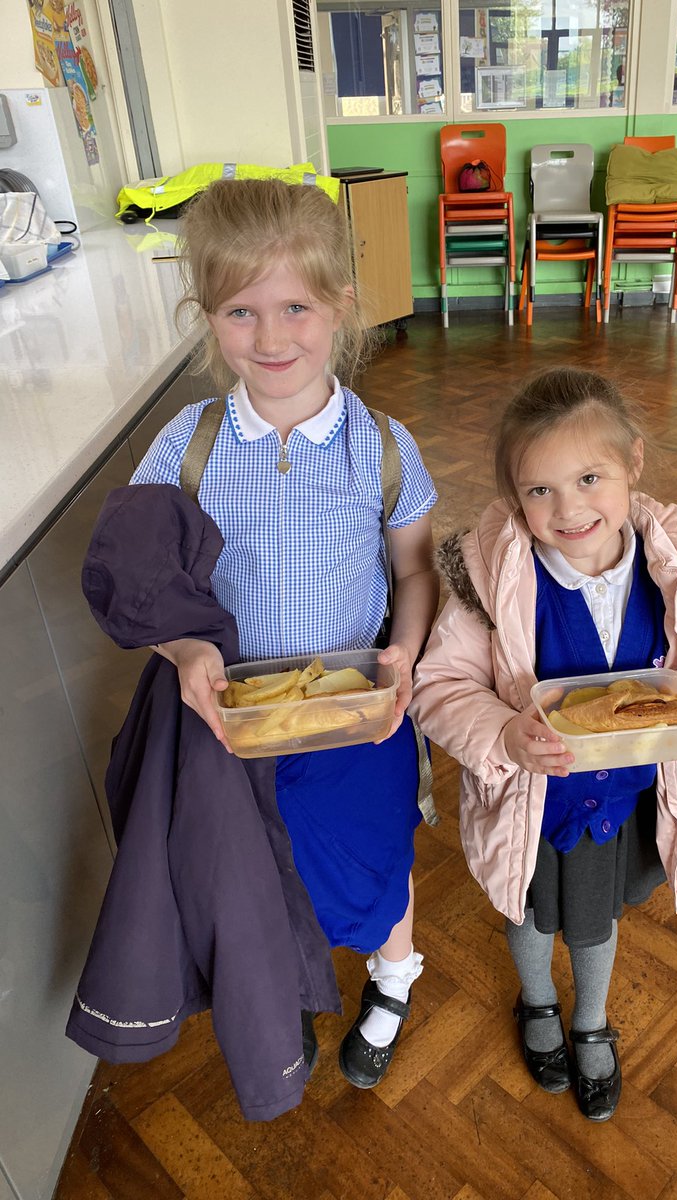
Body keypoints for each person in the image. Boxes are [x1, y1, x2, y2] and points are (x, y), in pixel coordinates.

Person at [130, 177, 440, 1089]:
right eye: (240, 311)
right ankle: (289, 991)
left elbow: (416, 569)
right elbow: (146, 580)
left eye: (296, 306)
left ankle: (393, 978)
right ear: (206, 315)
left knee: (376, 855)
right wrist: (185, 651)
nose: (270, 338)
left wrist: (407, 651)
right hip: (236, 720)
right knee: (267, 870)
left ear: (342, 308)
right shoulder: (184, 445)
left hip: (358, 713)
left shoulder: (382, 445)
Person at [410, 367, 677, 1121]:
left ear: (633, 462)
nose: (568, 508)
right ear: (512, 495)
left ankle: (591, 1018)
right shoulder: (488, 577)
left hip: (627, 798)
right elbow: (439, 686)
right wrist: (504, 733)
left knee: (597, 918)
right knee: (530, 910)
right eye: (539, 491)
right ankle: (537, 1004)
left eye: (590, 477)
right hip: (529, 796)